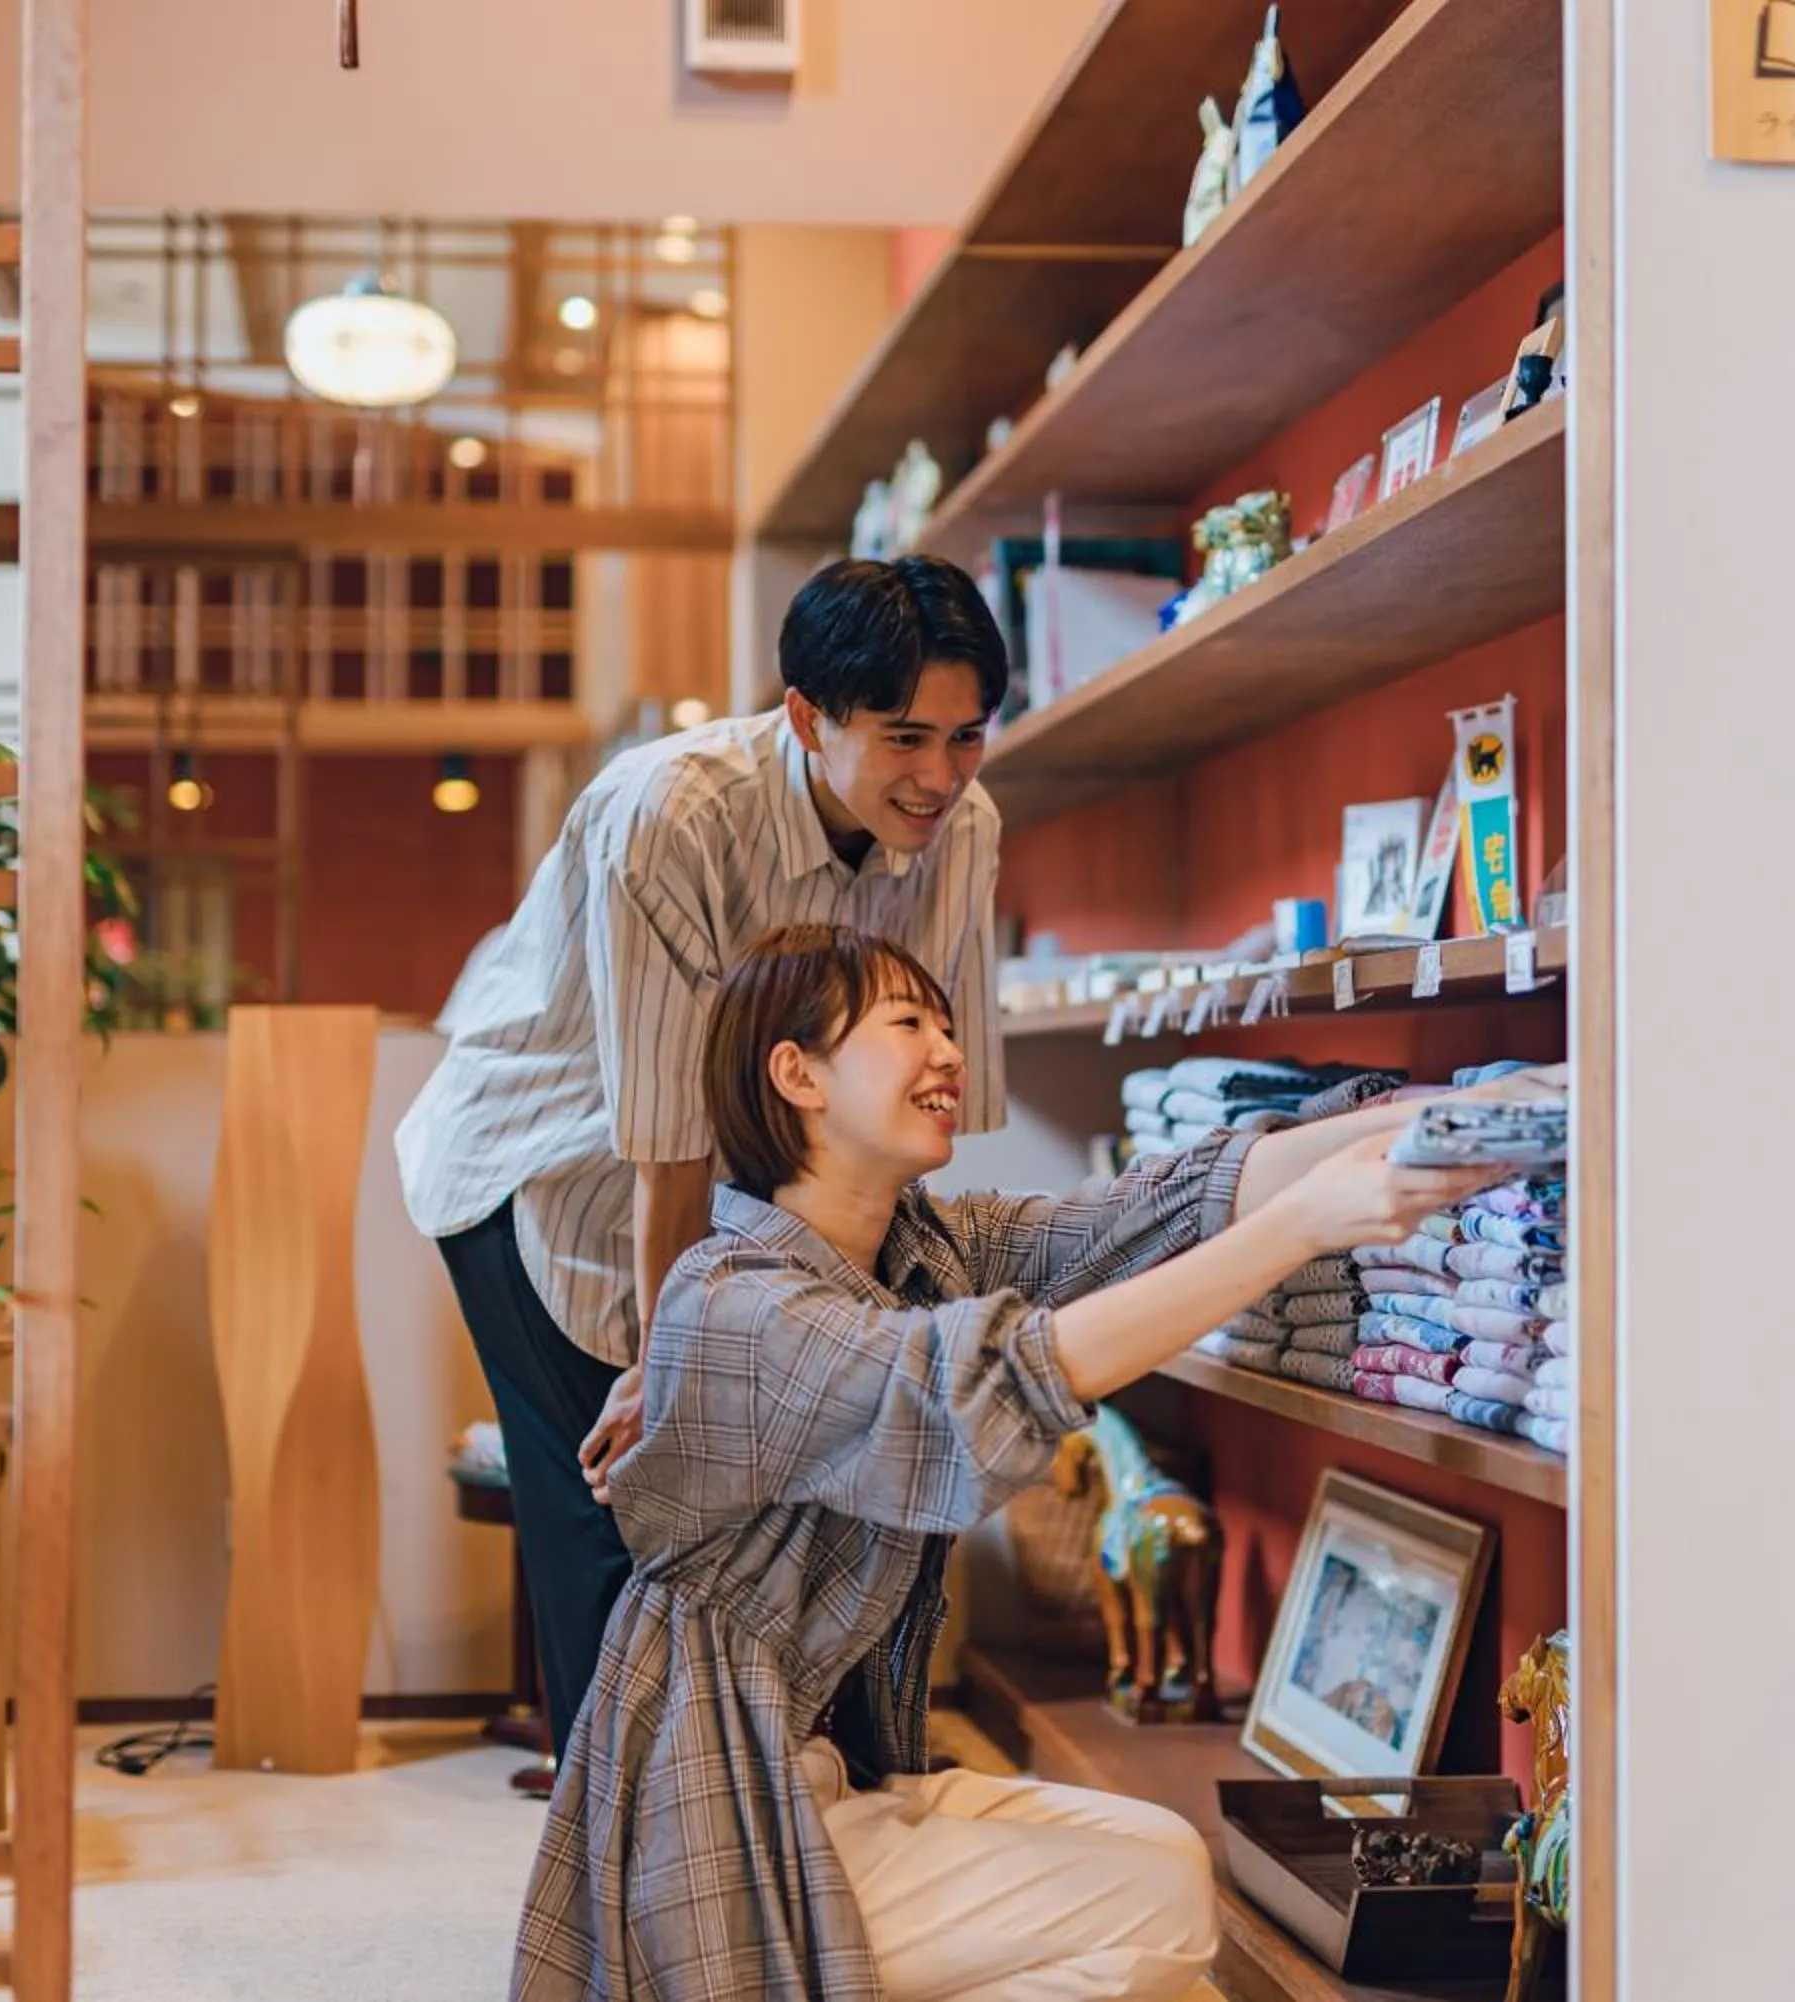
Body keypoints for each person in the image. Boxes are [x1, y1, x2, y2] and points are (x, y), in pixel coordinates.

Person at [513, 924, 1531, 2001]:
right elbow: (981, 1386)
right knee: (1158, 1912)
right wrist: (1300, 1230)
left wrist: (1481, 1114)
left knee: (1168, 1875)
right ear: (795, 1071)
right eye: (908, 1023)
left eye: (948, 1022)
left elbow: (1155, 1207)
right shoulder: (734, 1304)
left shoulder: (922, 1249)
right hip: (723, 1814)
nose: (949, 1050)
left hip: (833, 1784)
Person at [394, 557, 1013, 1756]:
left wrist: (893, 1320)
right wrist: (661, 1362)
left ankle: (793, 1826)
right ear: (806, 716)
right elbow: (665, 1146)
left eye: (966, 736)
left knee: (802, 1497)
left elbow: (917, 1087)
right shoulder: (669, 811)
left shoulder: (963, 825)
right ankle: (618, 1876)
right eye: (904, 738)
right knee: (619, 1516)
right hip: (546, 1173)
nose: (938, 776)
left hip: (722, 1190)